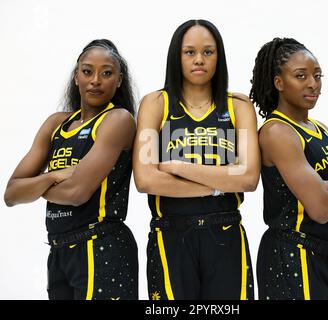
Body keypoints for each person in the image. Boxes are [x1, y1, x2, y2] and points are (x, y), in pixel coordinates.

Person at [133, 19, 260, 300]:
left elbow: (249, 178)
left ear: (219, 56)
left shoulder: (238, 106)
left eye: (208, 52)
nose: (199, 59)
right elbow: (145, 179)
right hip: (170, 235)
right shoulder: (155, 104)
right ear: (176, 56)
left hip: (225, 232)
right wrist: (221, 181)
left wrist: (178, 168)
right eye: (189, 52)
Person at [3, 39, 138, 300]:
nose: (96, 80)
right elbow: (11, 193)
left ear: (119, 80)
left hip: (101, 246)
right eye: (87, 71)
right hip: (59, 251)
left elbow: (78, 192)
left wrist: (37, 186)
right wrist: (53, 176)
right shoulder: (56, 123)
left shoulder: (118, 120)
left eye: (107, 73)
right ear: (76, 76)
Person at [250, 37, 328, 300]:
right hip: (292, 254)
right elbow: (320, 210)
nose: (313, 84)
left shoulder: (322, 131)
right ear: (279, 82)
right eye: (301, 76)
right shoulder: (277, 132)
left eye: (317, 76)